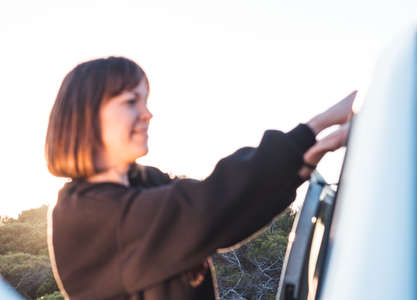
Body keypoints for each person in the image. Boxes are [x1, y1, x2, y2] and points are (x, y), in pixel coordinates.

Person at [45, 56, 355, 300]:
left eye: (146, 100)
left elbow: (232, 213)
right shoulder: (84, 215)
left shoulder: (146, 183)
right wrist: (317, 126)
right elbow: (208, 206)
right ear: (87, 116)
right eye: (131, 102)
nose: (147, 113)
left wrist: (310, 155)